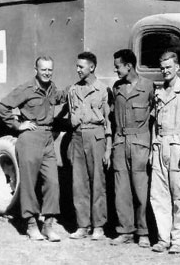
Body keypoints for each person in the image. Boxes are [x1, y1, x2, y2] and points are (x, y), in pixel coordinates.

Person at [0, 56, 66, 242]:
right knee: (29, 184)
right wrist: (17, 125)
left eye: (50, 69)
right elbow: (2, 107)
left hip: (48, 140)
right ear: (36, 70)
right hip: (30, 138)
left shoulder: (52, 89)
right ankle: (31, 225)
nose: (47, 73)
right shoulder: (26, 89)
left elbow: (63, 97)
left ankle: (49, 225)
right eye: (43, 69)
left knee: (53, 182)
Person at [150, 51, 180, 254]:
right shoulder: (159, 92)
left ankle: (179, 239)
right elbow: (155, 122)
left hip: (178, 145)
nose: (165, 71)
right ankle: (163, 238)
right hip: (160, 144)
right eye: (162, 68)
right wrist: (154, 146)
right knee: (159, 195)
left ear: (177, 67)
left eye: (169, 67)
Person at [110, 49, 154, 248]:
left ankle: (143, 232)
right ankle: (125, 230)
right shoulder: (116, 87)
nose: (115, 69)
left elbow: (154, 117)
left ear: (129, 66)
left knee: (140, 190)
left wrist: (151, 146)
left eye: (117, 66)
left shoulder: (148, 86)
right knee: (121, 191)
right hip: (120, 143)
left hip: (139, 143)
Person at [67, 51, 112, 241]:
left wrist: (108, 148)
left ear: (91, 67)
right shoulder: (73, 90)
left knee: (98, 182)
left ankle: (98, 226)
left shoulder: (103, 90)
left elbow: (109, 121)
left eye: (81, 66)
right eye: (77, 66)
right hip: (78, 136)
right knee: (79, 183)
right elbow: (71, 114)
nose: (77, 70)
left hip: (97, 136)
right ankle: (82, 225)